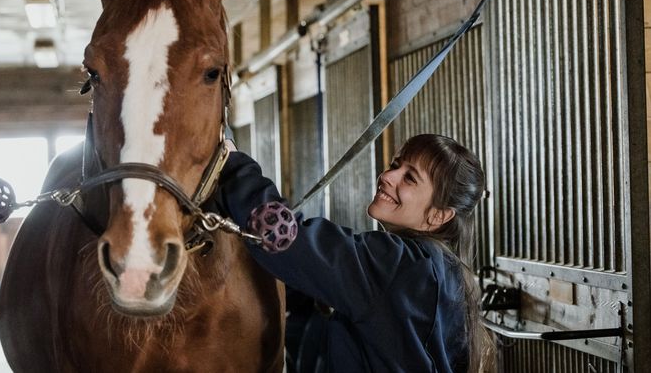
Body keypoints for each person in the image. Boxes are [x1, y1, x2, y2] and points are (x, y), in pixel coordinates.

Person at [209, 134, 494, 373]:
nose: (387, 176)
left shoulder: (397, 264)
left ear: (437, 216)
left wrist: (233, 166)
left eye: (409, 178)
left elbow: (287, 239)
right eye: (395, 165)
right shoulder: (451, 275)